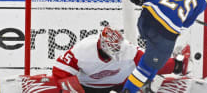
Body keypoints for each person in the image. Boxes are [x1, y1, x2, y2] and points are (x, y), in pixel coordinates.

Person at [122, 0, 207, 92]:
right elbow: (185, 24)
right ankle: (129, 90)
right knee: (147, 66)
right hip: (165, 31)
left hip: (146, 18)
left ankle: (146, 87)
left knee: (153, 58)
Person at [52, 26, 188, 93]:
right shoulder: (83, 49)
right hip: (86, 88)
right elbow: (59, 72)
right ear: (103, 47)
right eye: (115, 49)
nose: (119, 52)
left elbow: (151, 63)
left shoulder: (128, 49)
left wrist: (178, 65)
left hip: (120, 87)